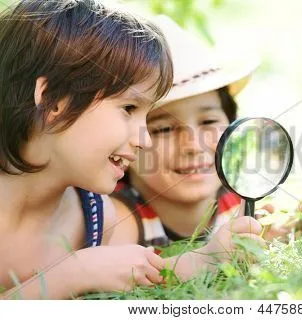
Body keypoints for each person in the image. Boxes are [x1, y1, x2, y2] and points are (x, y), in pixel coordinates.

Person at [0, 1, 257, 299]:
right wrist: (73, 273)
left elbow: (142, 270)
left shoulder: (96, 218)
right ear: (52, 101)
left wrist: (208, 257)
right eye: (129, 108)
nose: (144, 139)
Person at [110, 16, 302, 280]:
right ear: (129, 140)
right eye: (164, 128)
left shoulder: (235, 202)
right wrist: (207, 258)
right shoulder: (121, 217)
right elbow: (116, 276)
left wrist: (267, 236)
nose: (193, 144)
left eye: (208, 121)